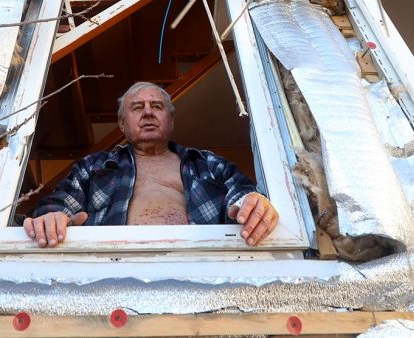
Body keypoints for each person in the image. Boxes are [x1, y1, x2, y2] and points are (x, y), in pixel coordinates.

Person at [23, 82, 279, 248]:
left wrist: (253, 204)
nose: (147, 112)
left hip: (204, 266)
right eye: (137, 107)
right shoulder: (95, 167)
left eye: (156, 106)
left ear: (171, 121)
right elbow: (54, 206)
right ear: (122, 124)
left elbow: (243, 193)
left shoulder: (207, 163)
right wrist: (51, 217)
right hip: (110, 271)